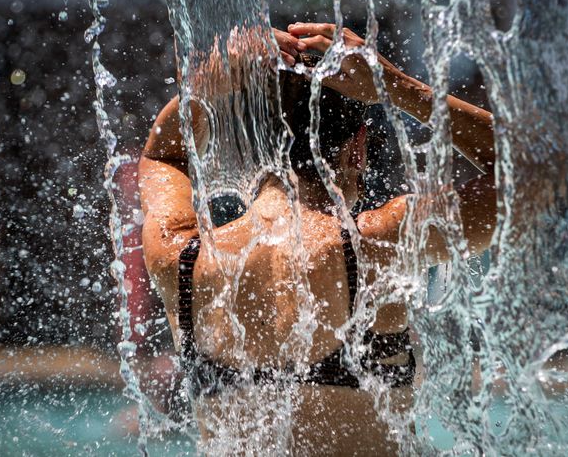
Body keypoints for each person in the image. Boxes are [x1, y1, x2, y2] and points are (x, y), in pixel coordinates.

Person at [139, 23, 496, 454]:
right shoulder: (377, 245)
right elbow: (537, 176)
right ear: (357, 150)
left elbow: (163, 154)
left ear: (252, 145)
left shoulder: (180, 257)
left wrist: (204, 91)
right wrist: (396, 87)